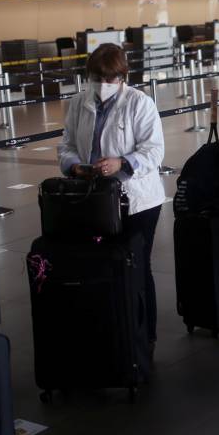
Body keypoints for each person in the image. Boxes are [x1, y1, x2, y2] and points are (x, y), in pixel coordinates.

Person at [59, 43, 166, 355]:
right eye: (98, 77)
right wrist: (74, 165)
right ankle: (109, 325)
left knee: (136, 264)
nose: (104, 84)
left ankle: (144, 333)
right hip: (94, 198)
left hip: (137, 201)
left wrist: (123, 162)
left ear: (123, 76)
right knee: (99, 263)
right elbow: (66, 144)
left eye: (111, 78)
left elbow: (154, 150)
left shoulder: (139, 103)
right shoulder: (79, 102)